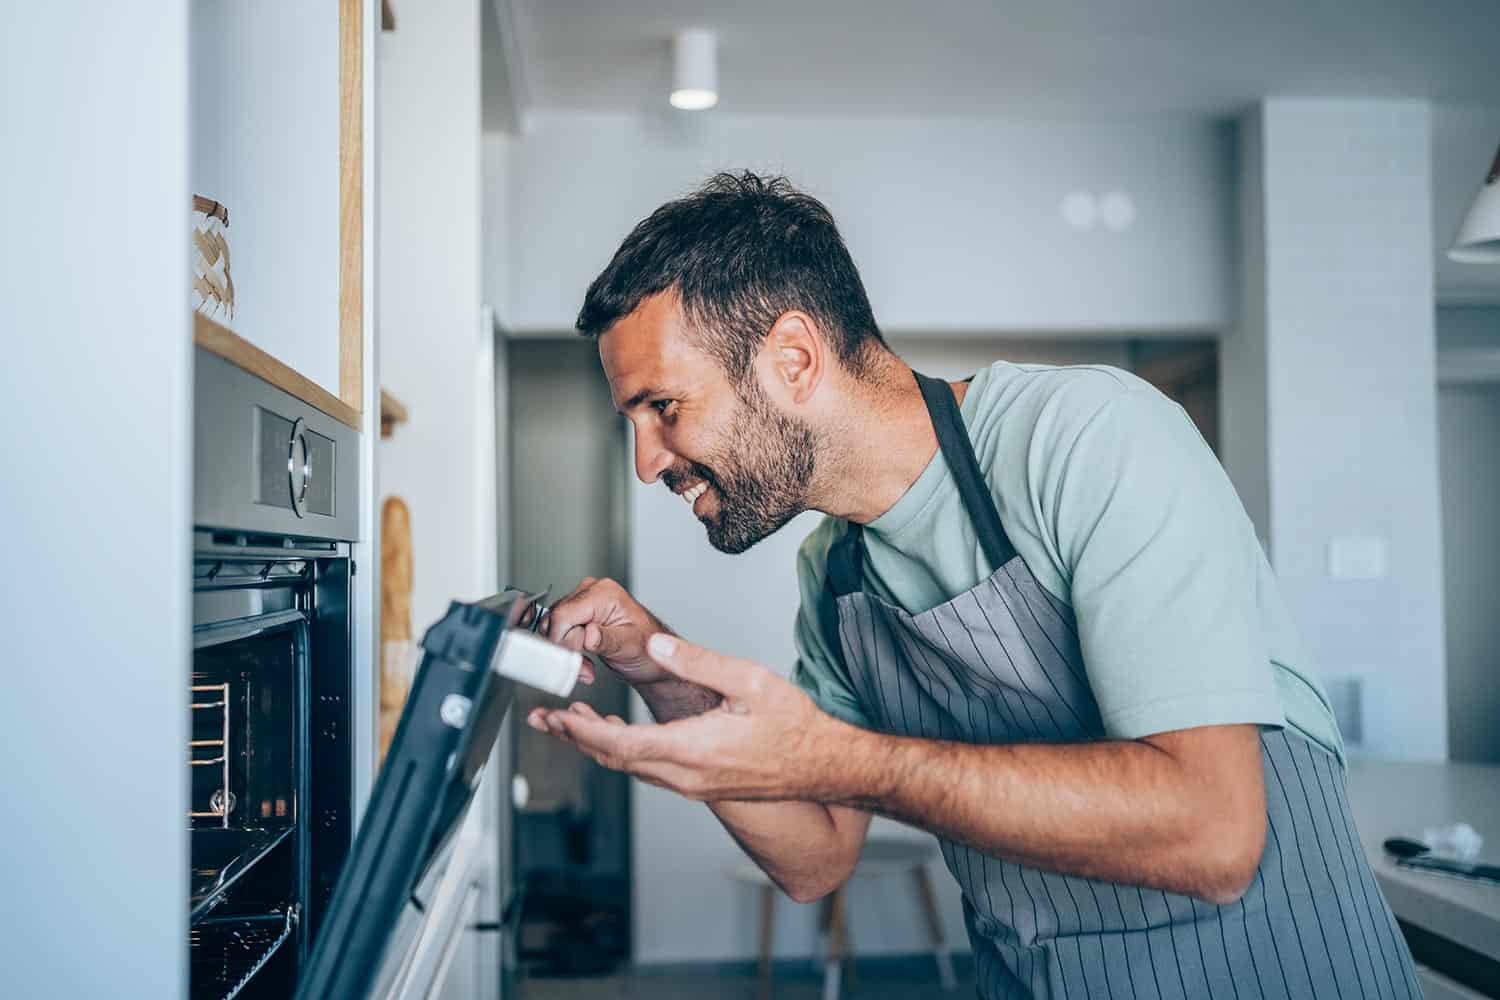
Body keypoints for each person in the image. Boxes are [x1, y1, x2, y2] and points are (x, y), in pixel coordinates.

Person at [525, 171, 1419, 999]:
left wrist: (846, 760)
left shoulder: (1087, 441)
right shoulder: (835, 571)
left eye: (664, 408)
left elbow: (1214, 833)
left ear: (793, 359)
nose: (646, 465)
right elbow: (815, 859)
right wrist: (656, 668)